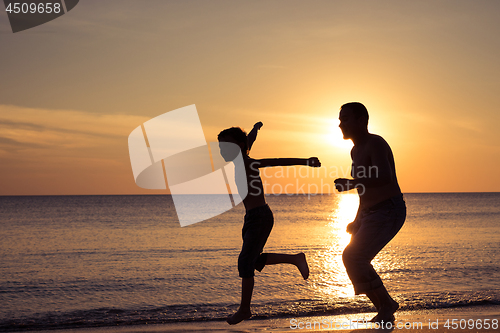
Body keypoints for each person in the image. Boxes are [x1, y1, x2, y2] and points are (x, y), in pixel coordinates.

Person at [218, 122, 321, 325]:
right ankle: (295, 259)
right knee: (253, 260)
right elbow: (249, 142)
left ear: (238, 146)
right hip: (251, 218)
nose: (222, 151)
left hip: (260, 217)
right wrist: (255, 130)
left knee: (245, 262)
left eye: (226, 147)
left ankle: (244, 310)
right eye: (220, 147)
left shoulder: (247, 163)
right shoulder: (240, 158)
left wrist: (305, 161)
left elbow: (276, 161)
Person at [334, 102, 406, 323]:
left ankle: (387, 305)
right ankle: (384, 307)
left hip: (389, 210)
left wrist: (352, 183)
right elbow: (364, 191)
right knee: (352, 258)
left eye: (345, 119)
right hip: (370, 213)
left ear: (361, 121)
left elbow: (385, 177)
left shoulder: (376, 143)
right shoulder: (355, 150)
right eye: (340, 119)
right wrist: (357, 219)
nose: (340, 124)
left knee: (354, 256)